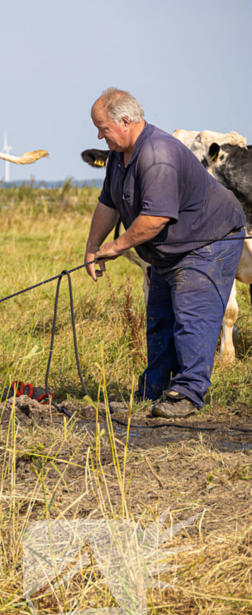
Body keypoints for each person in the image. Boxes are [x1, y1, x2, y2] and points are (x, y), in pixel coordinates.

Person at [84, 87, 246, 418]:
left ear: (125, 121)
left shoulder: (158, 155)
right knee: (160, 318)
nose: (100, 137)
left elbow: (155, 219)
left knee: (191, 316)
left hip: (208, 240)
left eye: (103, 129)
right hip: (170, 250)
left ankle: (188, 394)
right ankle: (154, 391)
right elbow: (108, 203)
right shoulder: (119, 156)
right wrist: (92, 248)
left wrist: (116, 246)